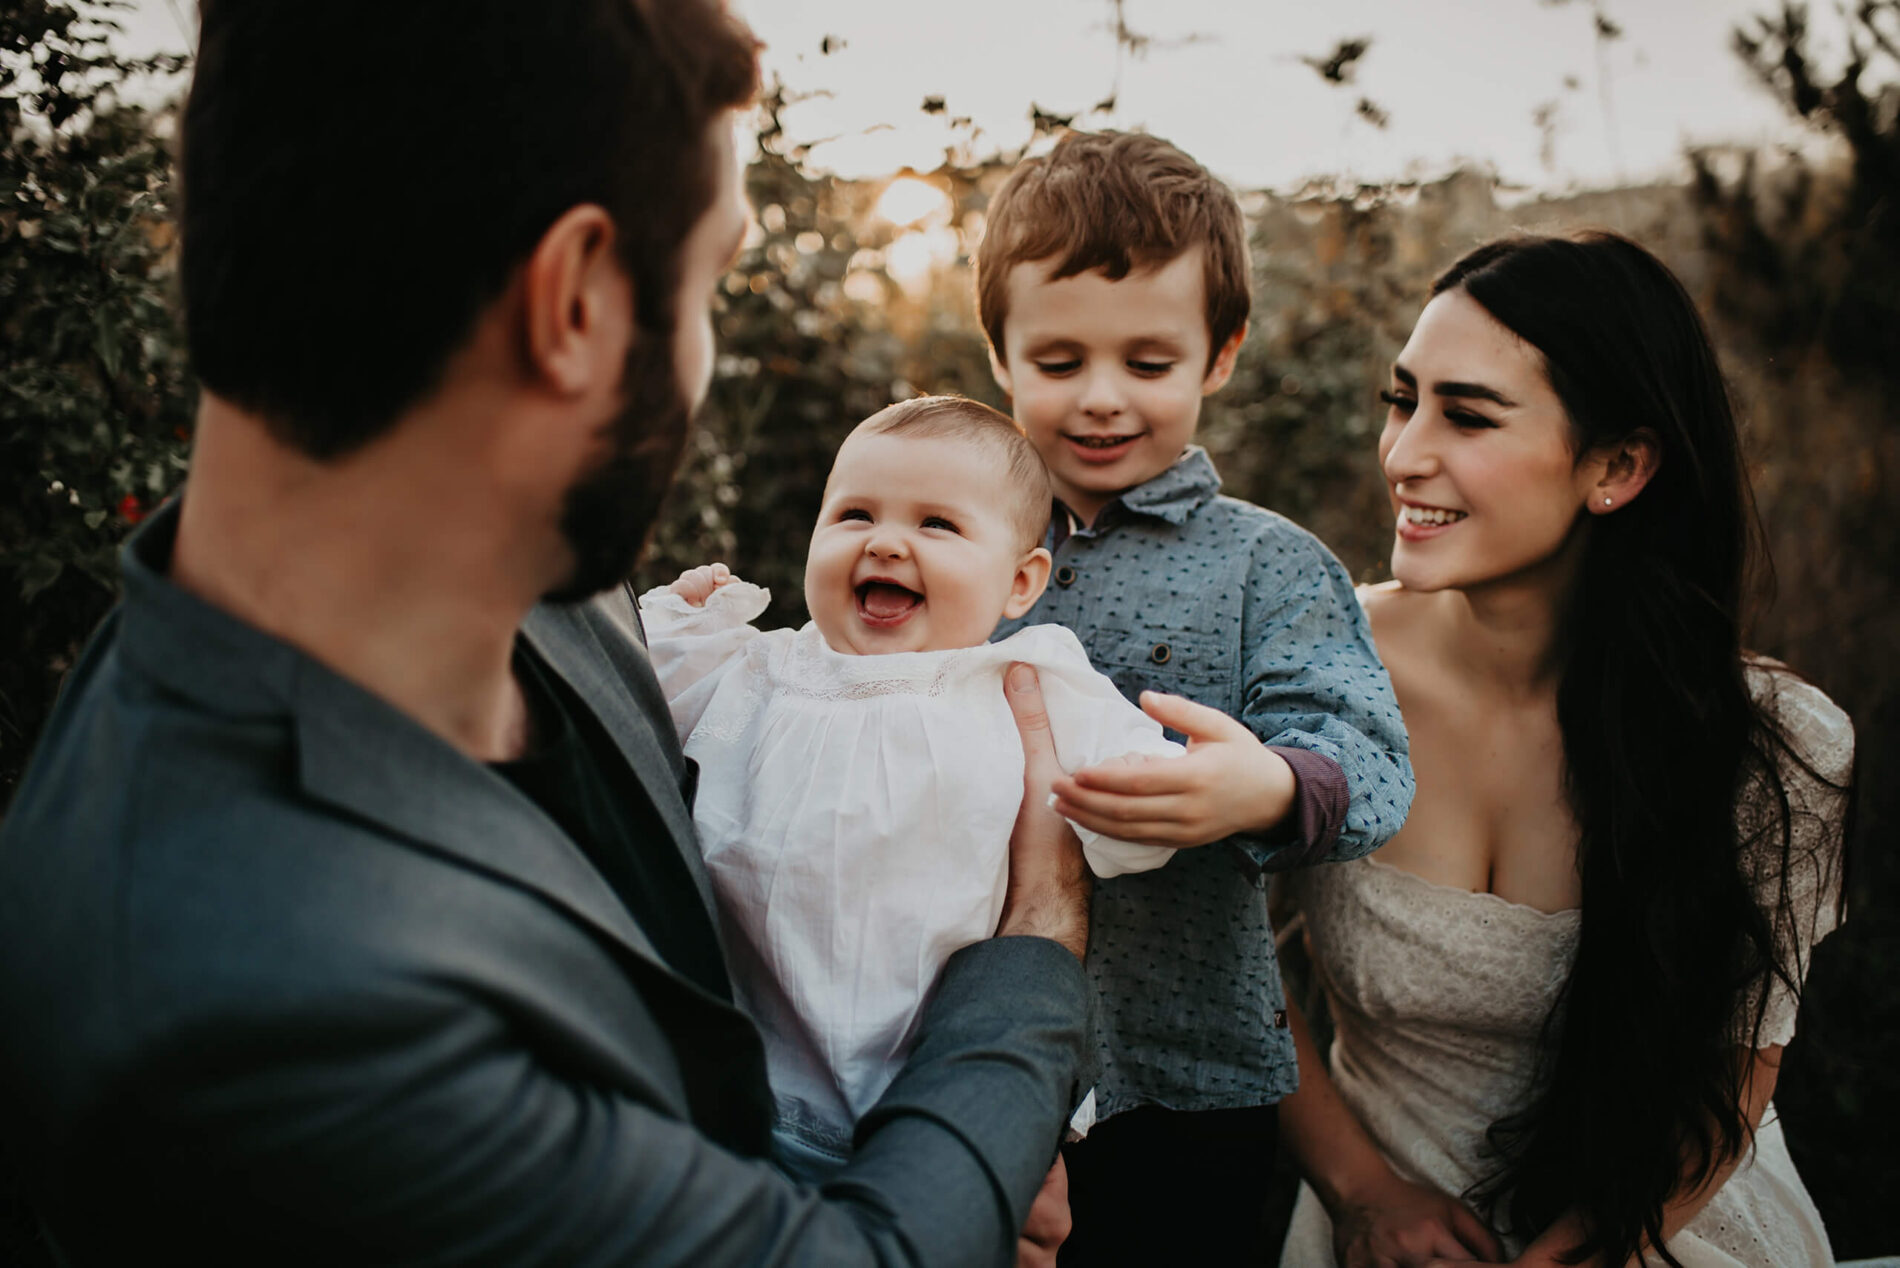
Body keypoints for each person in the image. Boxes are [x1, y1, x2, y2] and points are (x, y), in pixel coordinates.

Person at [0, 3, 1098, 1264]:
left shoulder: (536, 576)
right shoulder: (258, 1002)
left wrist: (942, 1153)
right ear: (574, 301)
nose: (701, 354)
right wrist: (1025, 984)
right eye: (710, 286)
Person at [1275, 232, 1855, 1268]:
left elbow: (1737, 1065)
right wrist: (1361, 1189)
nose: (1403, 453)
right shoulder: (1315, 665)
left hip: (1661, 1225)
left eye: (1467, 414)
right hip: (1384, 1231)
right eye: (1401, 399)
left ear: (1619, 464)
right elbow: (1222, 954)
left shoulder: (1775, 742)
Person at [973, 129, 1416, 1264]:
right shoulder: (951, 538)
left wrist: (1263, 783)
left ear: (1219, 355)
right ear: (1000, 353)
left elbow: (1365, 756)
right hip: (967, 1052)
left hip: (1186, 1073)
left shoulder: (1266, 565)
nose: (1103, 399)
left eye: (1149, 362)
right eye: (1060, 360)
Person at [641, 395, 1189, 1181]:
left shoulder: (1025, 679)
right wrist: (681, 618)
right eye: (854, 515)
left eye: (937, 525)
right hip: (741, 1095)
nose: (887, 542)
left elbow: (1132, 787)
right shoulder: (761, 670)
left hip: (943, 1091)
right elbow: (629, 698)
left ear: (1021, 581)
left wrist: (1170, 786)